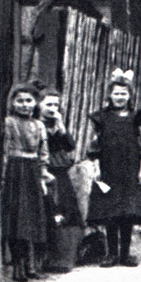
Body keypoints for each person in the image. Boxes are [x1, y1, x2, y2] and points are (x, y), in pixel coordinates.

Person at [85, 69, 141, 267]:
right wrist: (96, 168)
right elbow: (94, 146)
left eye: (124, 93)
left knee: (128, 212)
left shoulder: (137, 118)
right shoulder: (101, 118)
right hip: (108, 170)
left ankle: (125, 254)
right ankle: (111, 254)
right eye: (116, 93)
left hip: (130, 171)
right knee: (110, 212)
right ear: (110, 95)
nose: (120, 97)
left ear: (130, 96)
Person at [2, 83, 52, 281]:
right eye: (20, 101)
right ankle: (17, 265)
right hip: (15, 171)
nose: (24, 105)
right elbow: (5, 149)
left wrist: (43, 175)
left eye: (29, 101)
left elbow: (43, 153)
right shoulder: (9, 123)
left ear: (36, 103)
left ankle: (31, 265)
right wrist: (4, 173)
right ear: (13, 103)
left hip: (32, 171)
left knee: (31, 219)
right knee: (16, 219)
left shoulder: (39, 125)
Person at [38, 89, 84, 272]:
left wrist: (61, 127)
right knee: (48, 210)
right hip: (43, 169)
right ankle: (45, 258)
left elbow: (70, 146)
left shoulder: (57, 125)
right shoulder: (36, 124)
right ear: (39, 104)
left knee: (67, 209)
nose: (53, 108)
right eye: (48, 104)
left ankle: (63, 258)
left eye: (56, 105)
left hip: (60, 171)